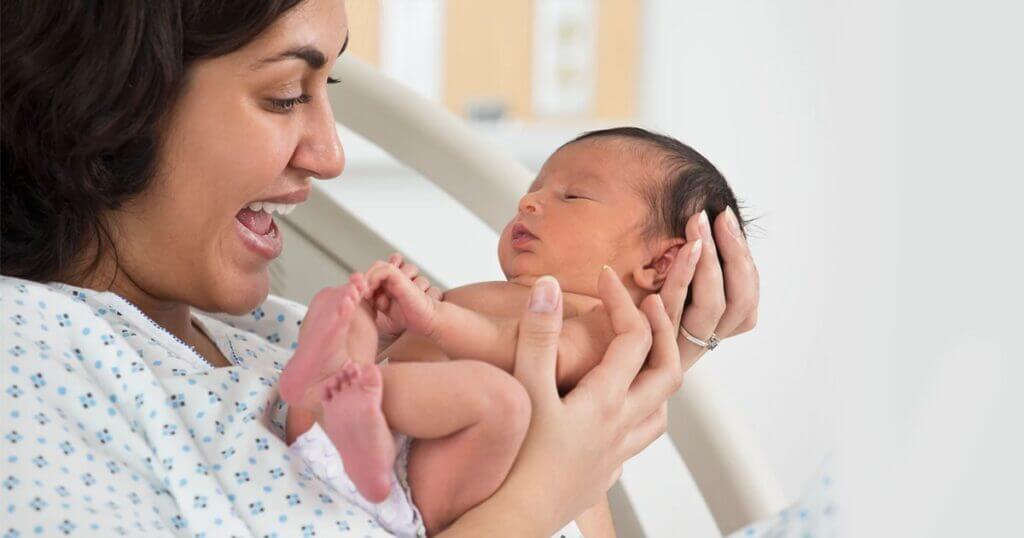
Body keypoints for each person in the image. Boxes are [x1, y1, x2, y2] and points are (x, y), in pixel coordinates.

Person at [0, 0, 760, 536]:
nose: (331, 155)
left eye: (322, 92)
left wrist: (658, 347)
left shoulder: (271, 331)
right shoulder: (29, 354)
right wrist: (535, 500)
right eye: (283, 95)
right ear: (111, 98)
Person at [278, 127, 745, 536]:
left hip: (426, 489)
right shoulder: (506, 297)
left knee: (499, 400)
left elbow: (526, 352)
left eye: (572, 196)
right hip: (356, 444)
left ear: (657, 262)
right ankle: (334, 383)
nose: (528, 201)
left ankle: (356, 396)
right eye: (535, 188)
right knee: (350, 308)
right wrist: (395, 323)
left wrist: (436, 319)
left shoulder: (609, 325)